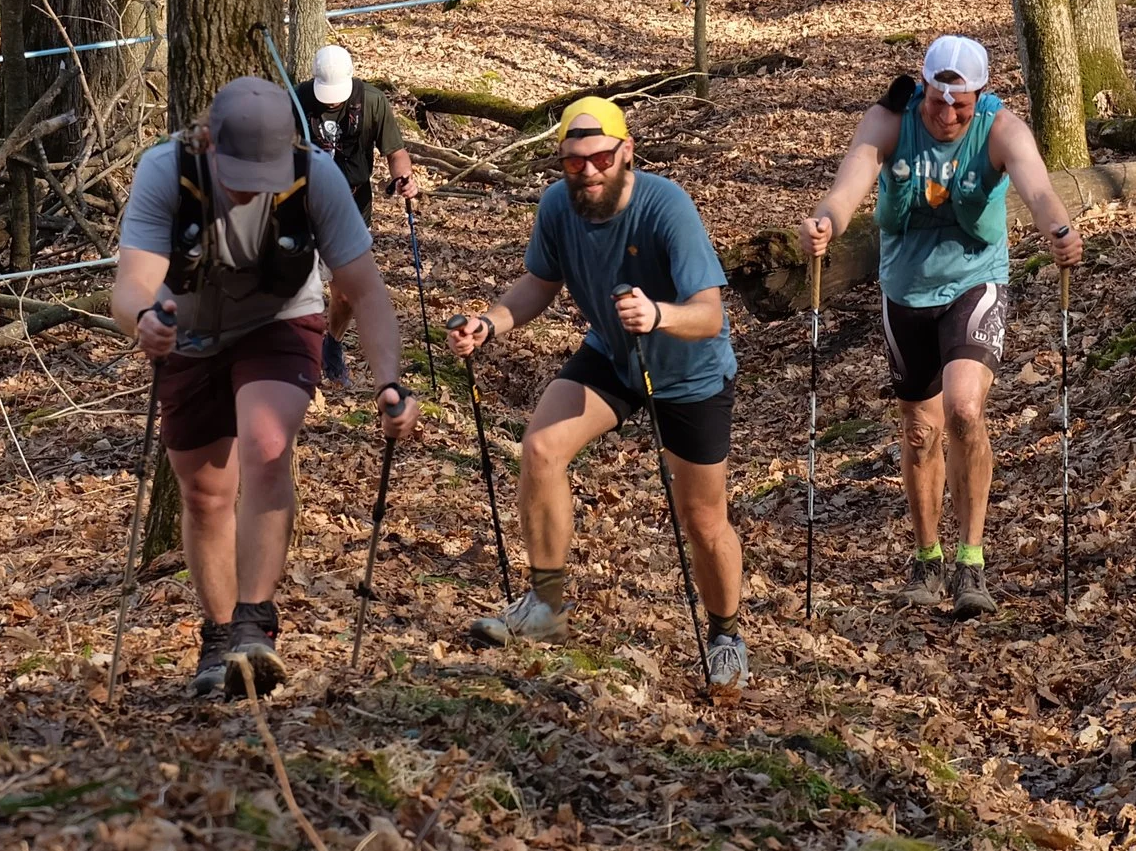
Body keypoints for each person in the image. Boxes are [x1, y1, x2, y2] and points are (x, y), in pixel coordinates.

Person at [114, 76, 419, 699]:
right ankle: (220, 638)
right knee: (203, 494)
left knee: (266, 444)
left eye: (265, 170)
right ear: (208, 143)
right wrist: (143, 322)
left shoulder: (317, 177)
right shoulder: (166, 171)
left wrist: (388, 379)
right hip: (188, 332)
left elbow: (366, 291)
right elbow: (132, 285)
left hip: (281, 320)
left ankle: (256, 626)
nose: (253, 183)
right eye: (239, 170)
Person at [444, 96, 750, 692]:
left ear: (626, 152)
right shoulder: (559, 206)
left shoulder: (667, 208)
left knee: (703, 517)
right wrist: (489, 323)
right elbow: (539, 282)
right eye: (573, 163)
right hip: (614, 354)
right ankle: (546, 606)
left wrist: (658, 313)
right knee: (540, 450)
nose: (588, 173)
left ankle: (725, 636)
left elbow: (709, 315)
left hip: (688, 372)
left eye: (601, 158)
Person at [798, 36, 1085, 618]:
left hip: (974, 282)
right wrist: (826, 221)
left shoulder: (1001, 128)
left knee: (963, 409)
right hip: (904, 289)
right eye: (937, 99)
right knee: (920, 430)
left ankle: (970, 561)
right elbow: (851, 180)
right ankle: (926, 558)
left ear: (979, 96)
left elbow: (1035, 187)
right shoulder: (888, 119)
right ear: (923, 87)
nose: (947, 113)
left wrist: (1058, 229)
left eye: (960, 103)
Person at [295, 44, 419, 384]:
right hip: (303, 208)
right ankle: (298, 354)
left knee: (347, 293)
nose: (332, 101)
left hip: (352, 206)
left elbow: (395, 151)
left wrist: (403, 177)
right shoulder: (296, 101)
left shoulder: (373, 102)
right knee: (300, 289)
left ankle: (331, 345)